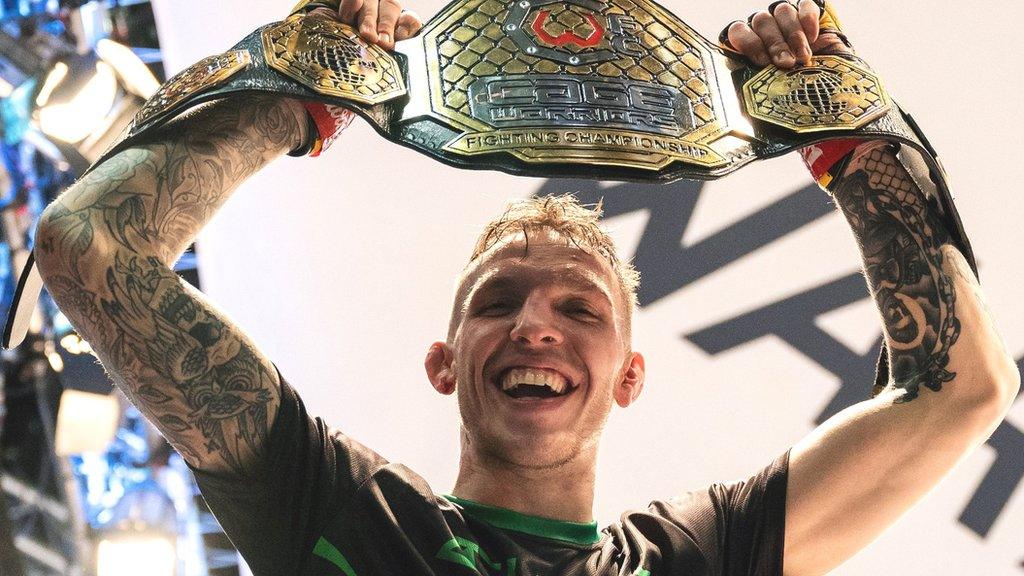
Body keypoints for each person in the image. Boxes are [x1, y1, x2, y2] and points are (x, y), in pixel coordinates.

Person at [29, 0, 1019, 574]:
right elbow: (90, 248)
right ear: (442, 362)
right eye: (497, 304)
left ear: (628, 376)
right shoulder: (335, 507)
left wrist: (848, 129)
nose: (535, 325)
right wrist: (300, 88)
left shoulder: (696, 554)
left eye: (579, 308)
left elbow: (963, 391)